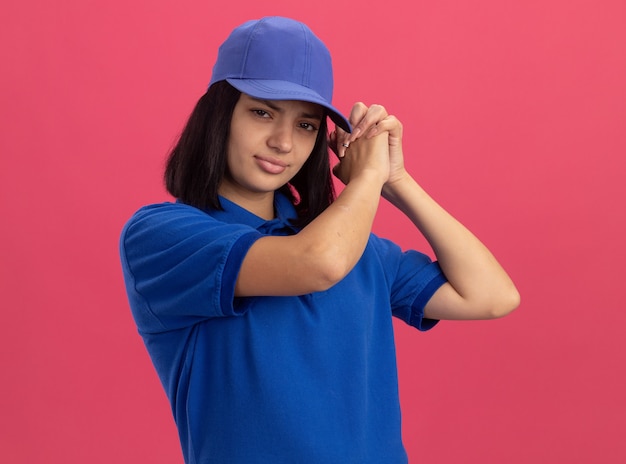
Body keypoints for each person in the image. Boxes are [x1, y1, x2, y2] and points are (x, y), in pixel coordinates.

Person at [119, 16, 519, 464]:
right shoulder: (161, 236)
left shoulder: (358, 250)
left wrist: (396, 181)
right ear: (219, 114)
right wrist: (367, 175)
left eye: (306, 125)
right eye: (262, 112)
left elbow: (491, 296)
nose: (283, 142)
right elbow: (317, 264)